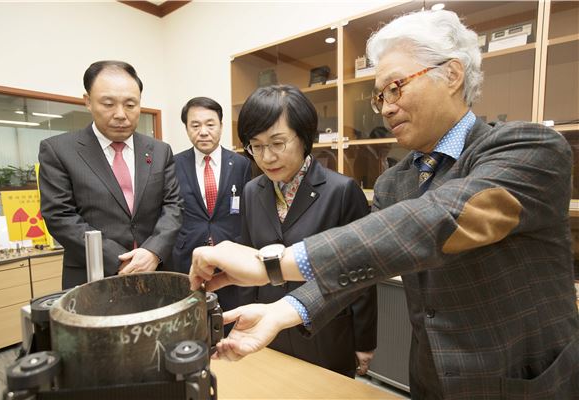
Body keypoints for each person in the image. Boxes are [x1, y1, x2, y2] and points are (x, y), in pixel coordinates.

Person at [189, 10, 579, 400]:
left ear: (453, 75)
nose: (386, 107)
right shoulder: (396, 180)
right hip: (431, 378)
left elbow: (439, 220)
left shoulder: (530, 149)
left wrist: (269, 265)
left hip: (521, 379)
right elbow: (357, 269)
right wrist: (281, 312)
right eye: (380, 96)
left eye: (396, 88)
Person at [237, 84, 377, 377]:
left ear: (304, 137)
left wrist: (364, 341)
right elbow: (248, 265)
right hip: (267, 327)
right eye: (257, 146)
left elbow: (362, 273)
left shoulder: (341, 190)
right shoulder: (252, 191)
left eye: (277, 143)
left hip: (324, 330)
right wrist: (244, 323)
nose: (267, 156)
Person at [39, 60, 183, 288]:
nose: (120, 114)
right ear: (87, 101)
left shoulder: (159, 150)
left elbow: (173, 206)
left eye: (130, 105)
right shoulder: (59, 151)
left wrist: (153, 252)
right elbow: (60, 216)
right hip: (93, 277)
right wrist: (121, 261)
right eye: (108, 104)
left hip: (157, 272)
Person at [171, 97, 251, 322]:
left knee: (229, 319)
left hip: (230, 254)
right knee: (192, 320)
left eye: (210, 124)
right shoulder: (174, 164)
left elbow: (247, 211)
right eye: (195, 125)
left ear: (221, 126)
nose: (203, 131)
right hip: (188, 256)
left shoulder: (242, 164)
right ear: (187, 129)